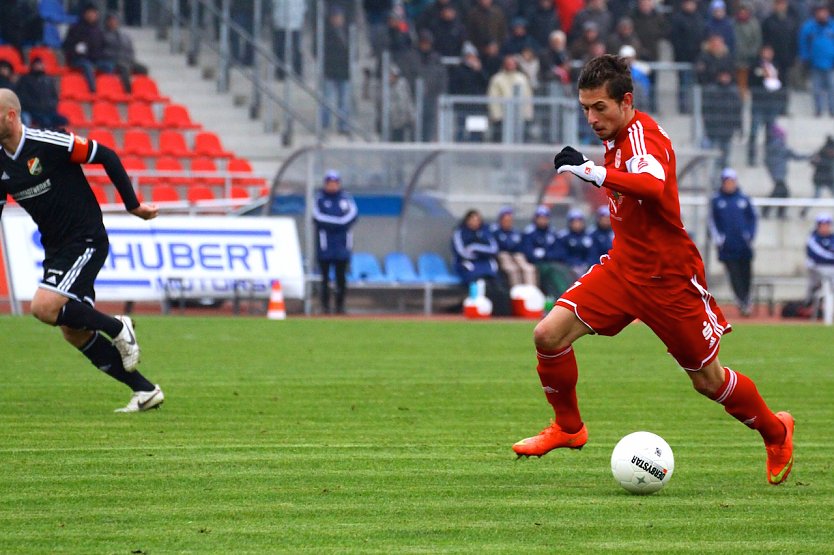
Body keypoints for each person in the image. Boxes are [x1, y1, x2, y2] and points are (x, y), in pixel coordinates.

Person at [512, 55, 794, 487]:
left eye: (599, 107)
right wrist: (600, 168)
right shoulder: (615, 136)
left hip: (669, 278)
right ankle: (569, 428)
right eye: (585, 108)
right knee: (547, 335)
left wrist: (593, 172)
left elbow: (652, 184)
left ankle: (776, 432)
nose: (591, 118)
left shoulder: (643, 135)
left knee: (707, 380)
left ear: (626, 102)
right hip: (625, 268)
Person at [0, 88, 163, 413]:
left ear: (11, 116)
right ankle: (144, 391)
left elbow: (106, 155)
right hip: (56, 247)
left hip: (85, 237)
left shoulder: (48, 144)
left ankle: (118, 327)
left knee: (43, 308)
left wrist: (132, 205)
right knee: (73, 332)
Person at [710, 168, 757, 316]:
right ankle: (741, 300)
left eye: (732, 181)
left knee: (746, 273)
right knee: (734, 274)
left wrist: (749, 235)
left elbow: (753, 219)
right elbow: (712, 222)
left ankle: (747, 299)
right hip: (728, 247)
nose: (730, 184)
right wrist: (720, 239)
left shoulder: (744, 199)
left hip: (743, 245)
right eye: (727, 181)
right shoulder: (717, 201)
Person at [313, 170, 358, 314]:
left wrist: (336, 223)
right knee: (325, 278)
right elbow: (318, 218)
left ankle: (340, 306)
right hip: (325, 246)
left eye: (335, 183)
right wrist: (338, 223)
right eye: (330, 183)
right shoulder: (319, 199)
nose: (332, 186)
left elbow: (352, 216)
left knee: (341, 278)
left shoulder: (346, 199)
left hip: (342, 245)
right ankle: (325, 307)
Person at [62, 3, 113, 93]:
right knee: (87, 66)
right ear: (85, 14)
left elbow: (103, 47)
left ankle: (108, 89)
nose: (92, 15)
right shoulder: (76, 28)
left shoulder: (98, 30)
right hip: (78, 59)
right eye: (90, 13)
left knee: (108, 66)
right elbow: (67, 46)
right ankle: (93, 90)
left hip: (95, 59)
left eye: (94, 13)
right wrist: (76, 51)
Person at [798, 3, 834, 118]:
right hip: (814, 64)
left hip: (831, 63)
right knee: (816, 89)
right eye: (820, 12)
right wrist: (805, 59)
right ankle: (818, 109)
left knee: (832, 88)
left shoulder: (832, 26)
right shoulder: (808, 27)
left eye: (824, 11)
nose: (822, 14)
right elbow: (803, 44)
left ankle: (832, 109)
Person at [763, 123, 806, 219]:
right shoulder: (780, 146)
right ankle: (775, 213)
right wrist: (810, 156)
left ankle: (770, 211)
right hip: (779, 174)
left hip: (776, 173)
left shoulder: (772, 147)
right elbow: (796, 156)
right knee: (783, 192)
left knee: (779, 192)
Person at [489, 206, 537, 288]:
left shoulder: (515, 232)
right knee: (513, 270)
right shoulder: (495, 232)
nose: (508, 222)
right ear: (501, 220)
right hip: (503, 255)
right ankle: (517, 292)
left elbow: (519, 246)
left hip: (516, 255)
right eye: (506, 220)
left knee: (529, 269)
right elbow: (499, 247)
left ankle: (531, 291)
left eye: (510, 220)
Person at [101, 12, 148, 94]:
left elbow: (130, 50)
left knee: (143, 69)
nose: (113, 22)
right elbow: (103, 51)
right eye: (111, 20)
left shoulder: (125, 36)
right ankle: (128, 93)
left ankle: (141, 91)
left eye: (115, 20)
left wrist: (130, 59)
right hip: (114, 61)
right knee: (124, 69)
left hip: (127, 60)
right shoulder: (103, 35)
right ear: (107, 22)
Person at [15, 58, 68, 129]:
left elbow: (55, 97)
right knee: (46, 122)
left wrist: (51, 106)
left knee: (63, 120)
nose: (39, 66)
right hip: (33, 111)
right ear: (32, 66)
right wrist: (36, 107)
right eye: (37, 64)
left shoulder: (48, 80)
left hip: (49, 111)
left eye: (40, 64)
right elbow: (23, 97)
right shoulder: (25, 79)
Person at [451, 208, 500, 285]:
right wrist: (480, 254)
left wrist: (474, 248)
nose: (475, 222)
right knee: (474, 278)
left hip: (485, 262)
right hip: (465, 263)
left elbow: (494, 249)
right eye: (473, 219)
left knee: (493, 279)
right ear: (467, 220)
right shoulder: (460, 233)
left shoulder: (485, 232)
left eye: (477, 220)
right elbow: (462, 252)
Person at [555, 208, 596, 279]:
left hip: (586, 266)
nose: (577, 224)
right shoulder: (563, 236)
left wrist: (587, 264)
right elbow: (561, 254)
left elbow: (592, 253)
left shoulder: (589, 236)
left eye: (579, 222)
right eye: (574, 222)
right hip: (569, 266)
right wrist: (572, 264)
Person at [805, 212, 834, 305]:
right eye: (823, 225)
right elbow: (817, 256)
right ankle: (809, 301)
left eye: (827, 225)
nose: (825, 227)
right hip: (817, 268)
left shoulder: (832, 238)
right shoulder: (813, 238)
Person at [803, 135, 834, 217]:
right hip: (819, 179)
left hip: (829, 179)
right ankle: (804, 211)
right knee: (816, 196)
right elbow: (812, 162)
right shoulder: (820, 153)